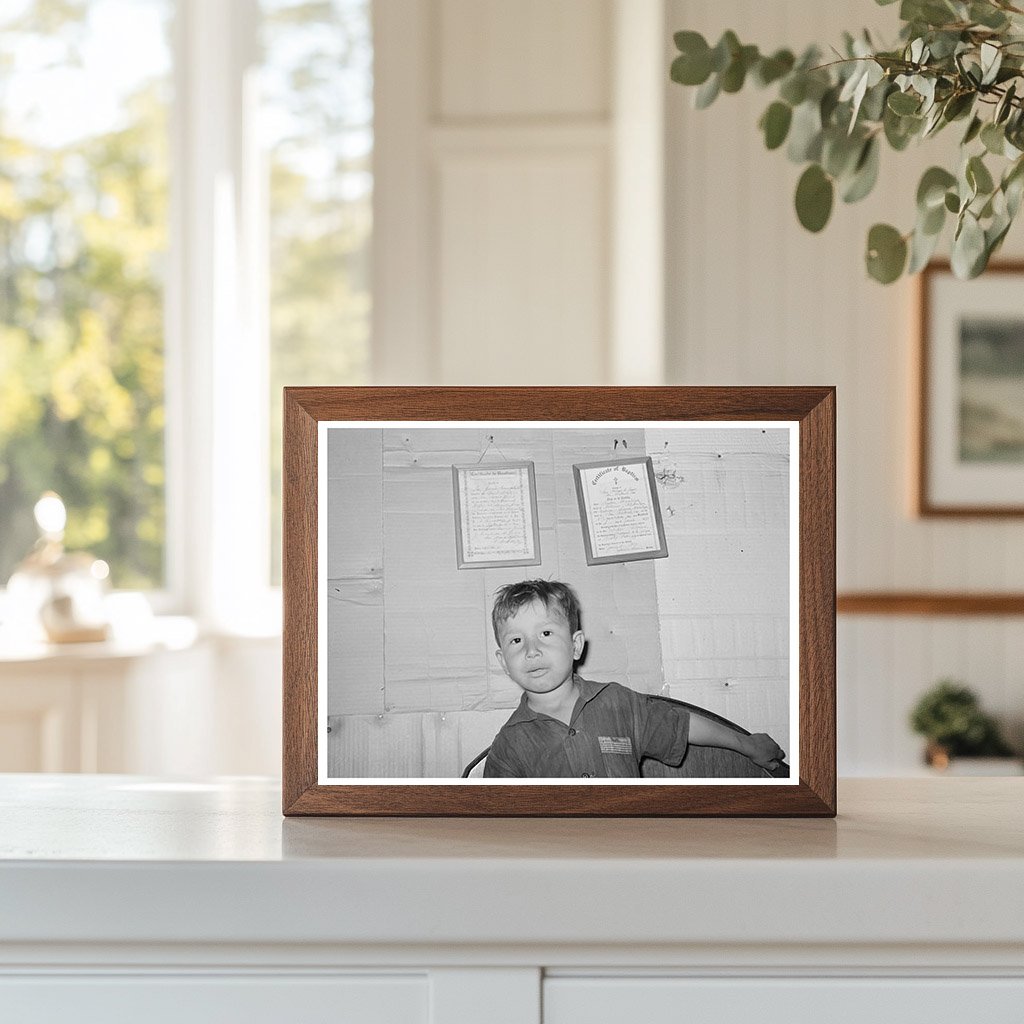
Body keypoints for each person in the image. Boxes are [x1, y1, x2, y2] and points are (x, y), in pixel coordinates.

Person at [483, 579, 786, 779]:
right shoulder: (507, 746)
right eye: (516, 641)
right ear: (503, 663)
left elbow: (681, 724)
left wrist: (746, 744)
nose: (532, 650)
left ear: (575, 645)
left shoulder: (618, 703)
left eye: (546, 633)